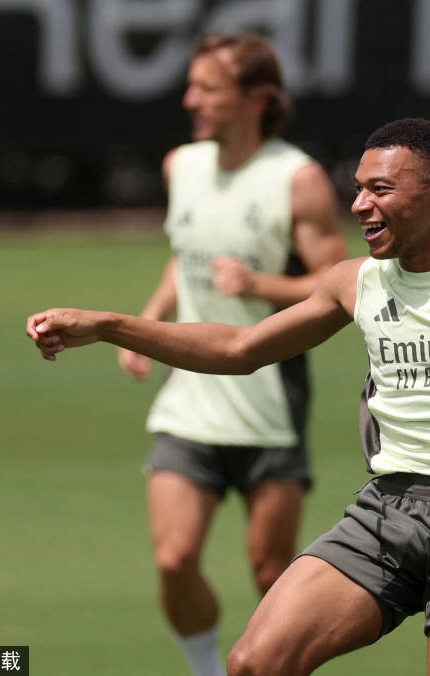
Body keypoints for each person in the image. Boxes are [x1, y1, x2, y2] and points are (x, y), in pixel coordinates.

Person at [26, 118, 430, 675]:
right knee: (255, 663)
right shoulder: (355, 282)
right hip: (388, 511)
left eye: (379, 189)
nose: (358, 205)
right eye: (357, 188)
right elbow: (238, 347)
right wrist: (110, 325)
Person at [113, 33, 346, 676]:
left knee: (271, 572)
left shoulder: (296, 179)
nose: (190, 100)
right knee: (173, 559)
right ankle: (207, 668)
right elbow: (186, 254)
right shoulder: (180, 166)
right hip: (189, 399)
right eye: (191, 86)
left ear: (258, 100)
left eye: (208, 88)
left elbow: (340, 283)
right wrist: (152, 321)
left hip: (269, 401)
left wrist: (259, 284)